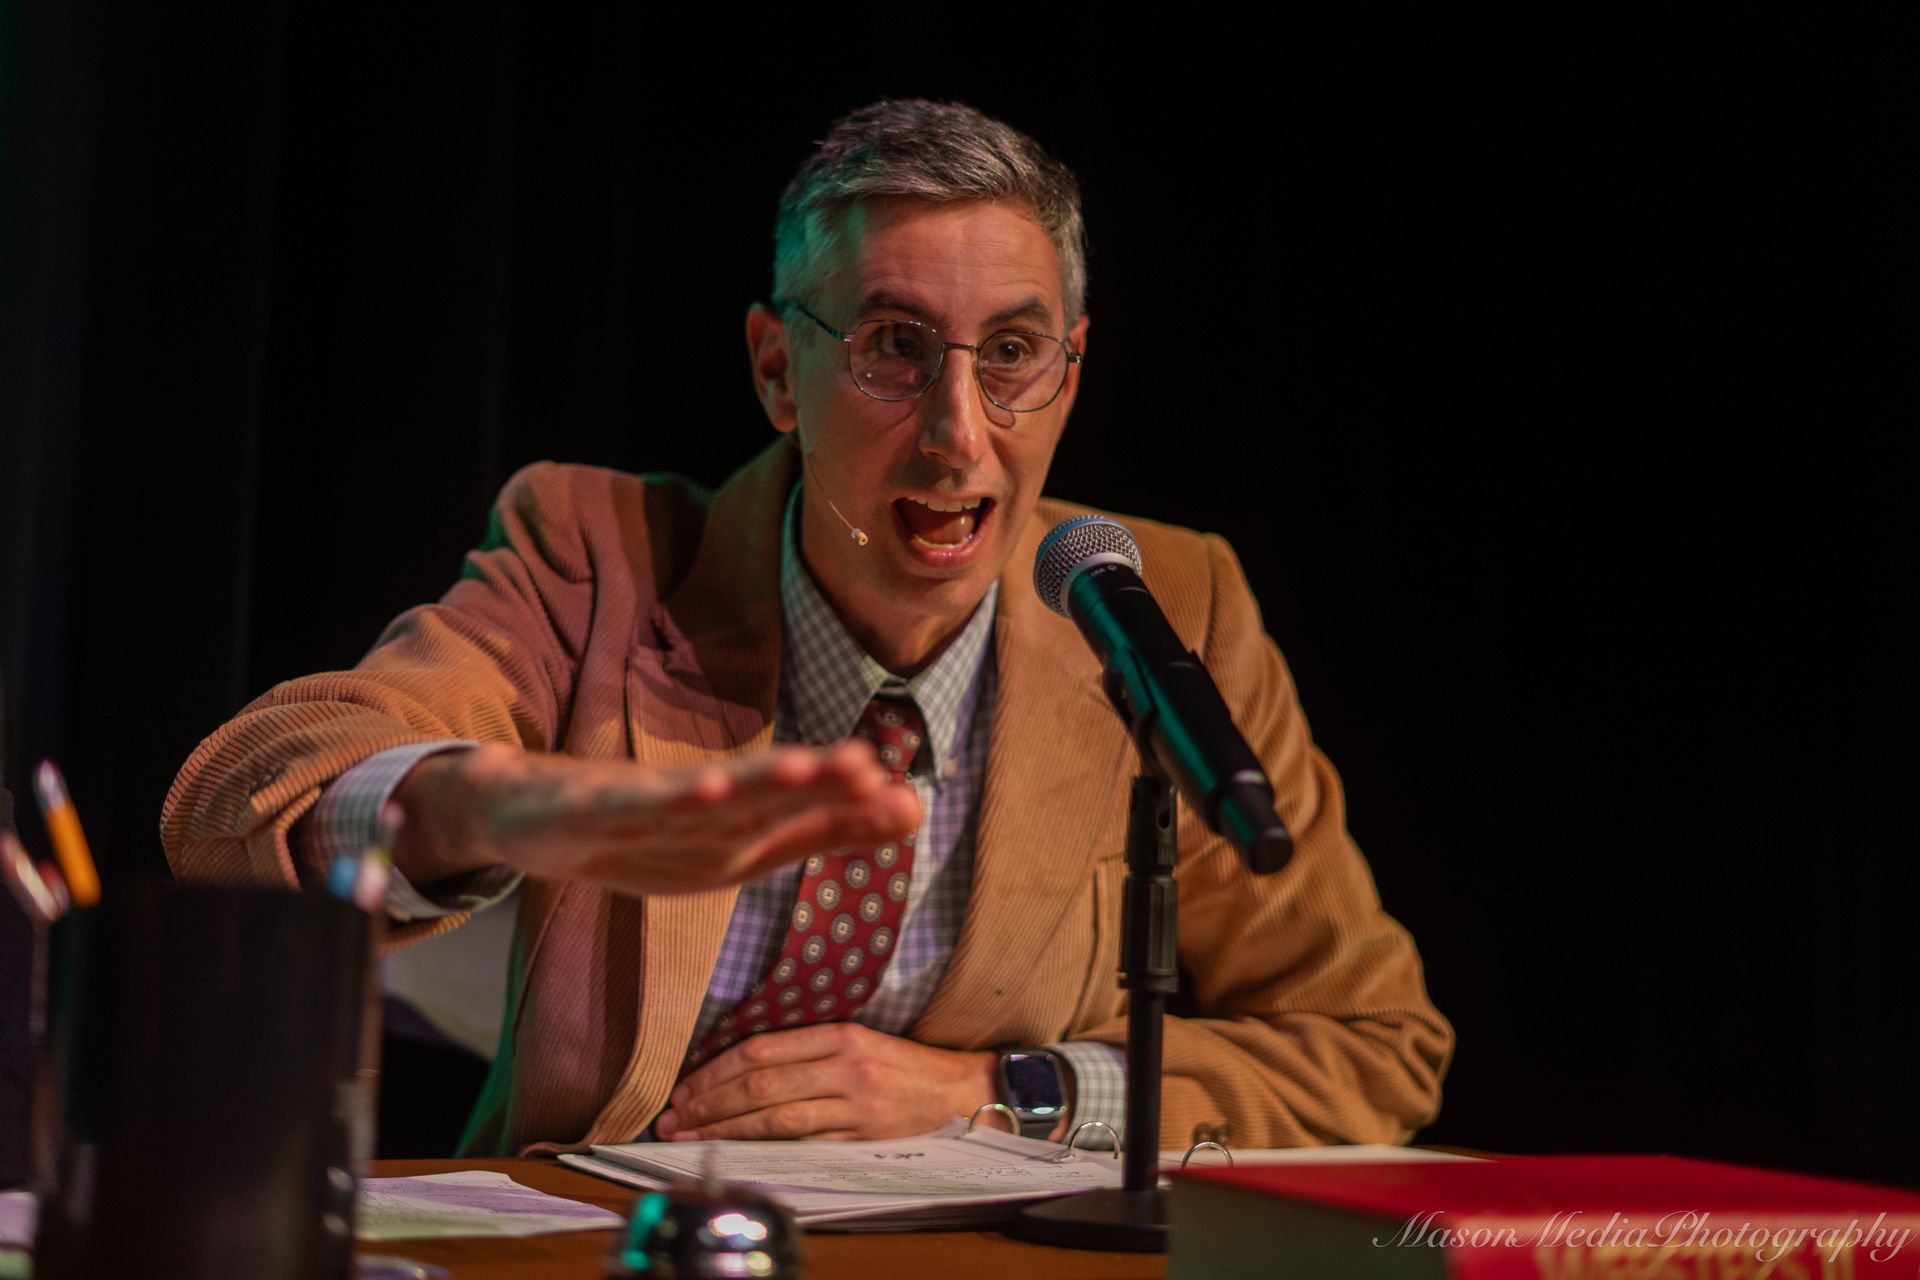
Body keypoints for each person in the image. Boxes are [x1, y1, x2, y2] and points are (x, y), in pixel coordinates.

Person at [162, 99, 1452, 1156]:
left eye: (1011, 353)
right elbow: (235, 807)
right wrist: (494, 808)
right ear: (779, 370)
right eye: (895, 348)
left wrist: (1001, 1091)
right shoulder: (598, 555)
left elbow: (1371, 1047)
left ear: (1071, 367)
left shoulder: (1167, 604)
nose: (960, 431)